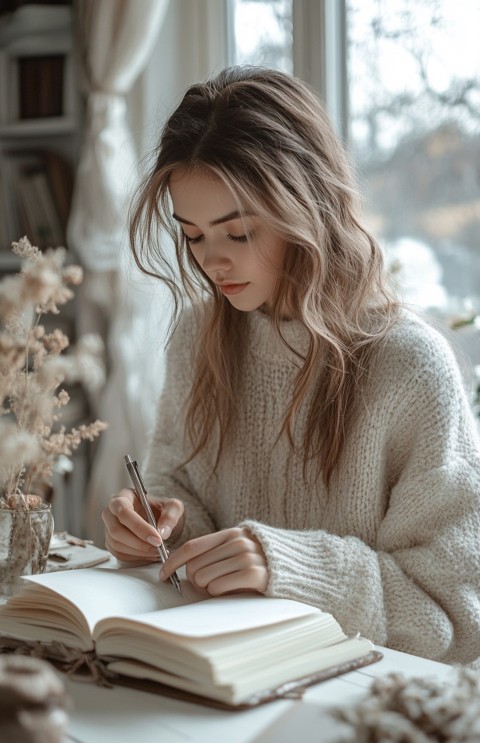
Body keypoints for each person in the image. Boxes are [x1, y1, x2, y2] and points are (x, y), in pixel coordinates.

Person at [102, 66, 480, 665]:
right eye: (194, 236)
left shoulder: (408, 367)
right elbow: (182, 491)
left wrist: (292, 566)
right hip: (221, 678)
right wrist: (162, 527)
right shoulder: (199, 336)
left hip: (362, 704)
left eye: (240, 232)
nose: (213, 263)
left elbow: (456, 618)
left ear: (309, 207)